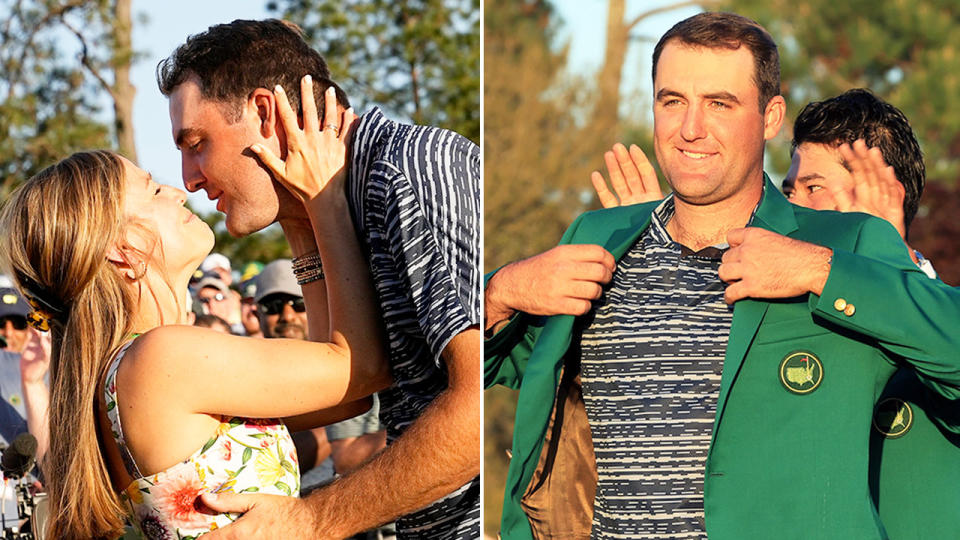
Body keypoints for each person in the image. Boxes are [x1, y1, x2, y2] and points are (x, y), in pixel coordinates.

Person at [484, 12, 960, 539]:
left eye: (719, 103)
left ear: (770, 116)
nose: (691, 128)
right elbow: (476, 366)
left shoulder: (848, 245)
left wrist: (819, 269)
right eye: (673, 101)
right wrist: (500, 293)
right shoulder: (596, 237)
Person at [0, 87, 391, 538]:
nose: (179, 191)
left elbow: (344, 395)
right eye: (152, 190)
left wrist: (297, 220)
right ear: (123, 249)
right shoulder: (163, 357)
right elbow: (361, 368)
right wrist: (325, 197)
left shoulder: (128, 370)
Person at [157, 19, 481, 539]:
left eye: (196, 143)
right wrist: (301, 215)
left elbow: (479, 407)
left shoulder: (407, 171)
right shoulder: (333, 201)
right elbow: (350, 387)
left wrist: (311, 519)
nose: (189, 178)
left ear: (264, 113)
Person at [593, 88, 960, 539]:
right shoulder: (770, 306)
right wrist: (656, 261)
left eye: (814, 189)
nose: (792, 209)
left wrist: (884, 261)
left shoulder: (931, 317)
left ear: (884, 198)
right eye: (789, 191)